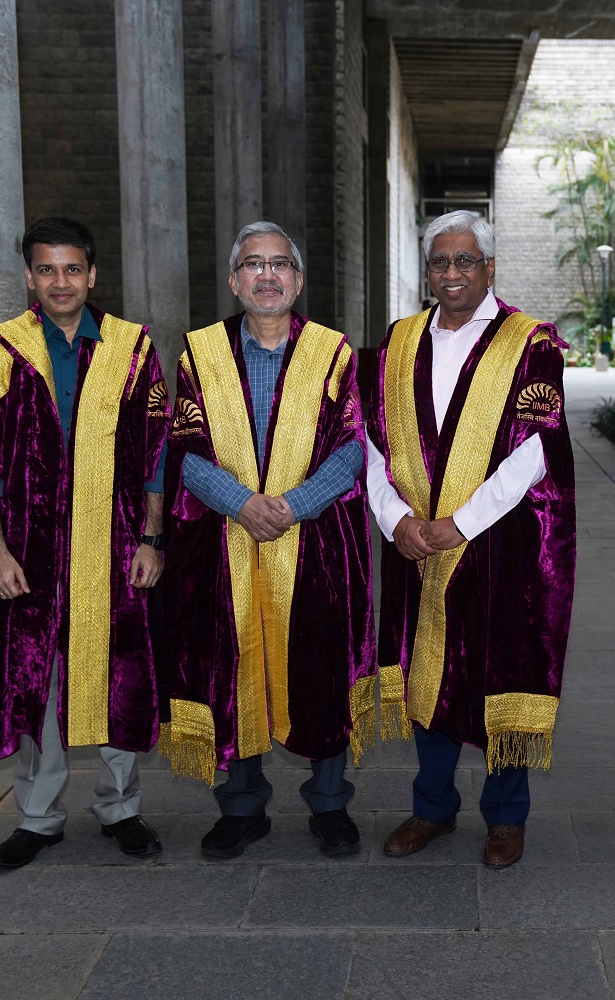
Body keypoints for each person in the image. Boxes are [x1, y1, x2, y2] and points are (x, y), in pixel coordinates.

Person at [158, 221, 374, 859]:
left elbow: (352, 445)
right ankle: (242, 807)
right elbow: (183, 448)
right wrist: (242, 504)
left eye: (281, 264)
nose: (268, 275)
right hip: (223, 538)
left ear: (299, 280)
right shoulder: (200, 353)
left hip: (317, 541)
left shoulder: (333, 352)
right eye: (253, 264)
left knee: (321, 662)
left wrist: (292, 506)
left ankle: (330, 805)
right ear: (234, 281)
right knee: (234, 660)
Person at [369, 210, 576, 869]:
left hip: (501, 544)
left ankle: (506, 816)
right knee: (429, 669)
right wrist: (396, 520)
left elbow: (535, 450)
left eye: (465, 261)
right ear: (427, 271)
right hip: (414, 545)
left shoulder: (530, 341)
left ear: (490, 268)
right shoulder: (398, 342)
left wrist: (456, 524)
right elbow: (367, 442)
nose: (451, 273)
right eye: (440, 262)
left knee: (502, 670)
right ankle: (432, 806)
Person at [0, 216, 170, 870]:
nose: (60, 281)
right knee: (33, 677)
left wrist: (152, 537)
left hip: (113, 543)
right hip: (28, 546)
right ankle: (38, 816)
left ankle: (120, 807)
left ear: (92, 274)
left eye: (72, 268)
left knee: (119, 671)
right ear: (29, 275)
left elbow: (160, 453)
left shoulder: (131, 349)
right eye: (46, 269)